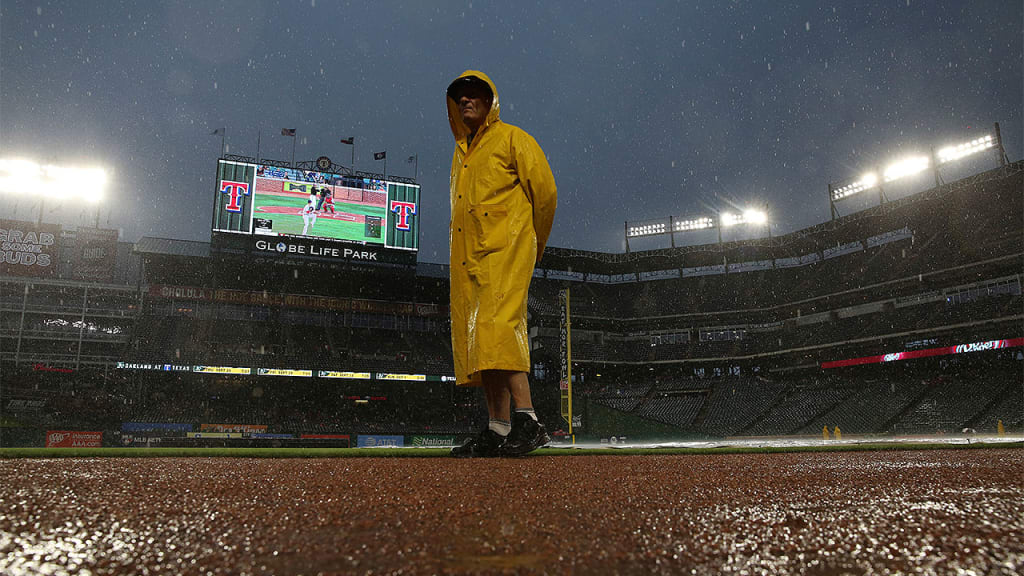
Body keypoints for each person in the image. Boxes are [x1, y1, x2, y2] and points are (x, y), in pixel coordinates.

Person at [445, 70, 558, 457]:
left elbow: (545, 193)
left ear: (491, 100)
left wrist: (532, 243)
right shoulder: (462, 155)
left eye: (474, 93)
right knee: (483, 342)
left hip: (505, 250)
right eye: (459, 96)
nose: (465, 100)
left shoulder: (513, 139)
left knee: (498, 329)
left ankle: (529, 421)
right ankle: (498, 427)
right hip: (471, 261)